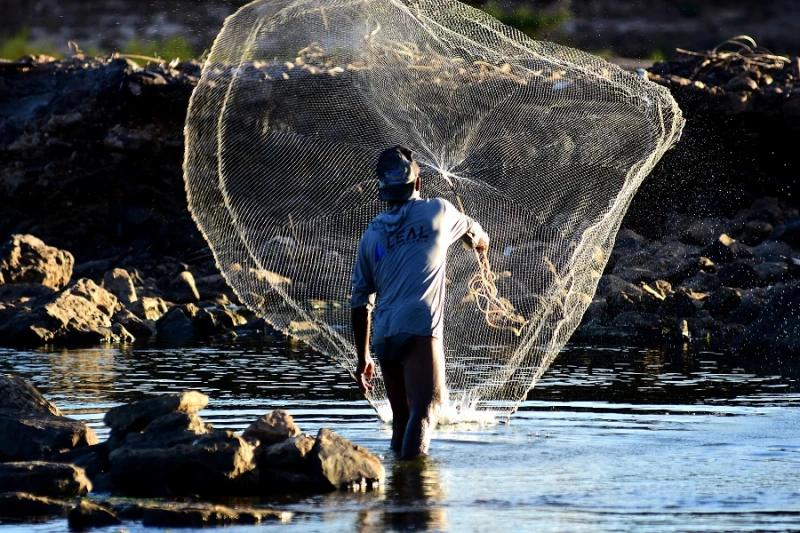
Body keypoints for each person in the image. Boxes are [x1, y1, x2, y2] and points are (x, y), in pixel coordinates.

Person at [350, 145, 489, 459]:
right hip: (418, 326)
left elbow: (360, 302)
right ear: (417, 183)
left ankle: (394, 494)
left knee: (402, 419)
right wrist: (479, 244)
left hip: (383, 334)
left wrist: (363, 360)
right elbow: (478, 237)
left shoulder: (371, 235)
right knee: (427, 411)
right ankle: (414, 492)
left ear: (383, 190)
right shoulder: (438, 212)